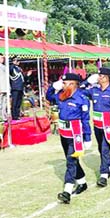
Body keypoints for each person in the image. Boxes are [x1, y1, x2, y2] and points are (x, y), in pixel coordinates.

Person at [46, 73, 92, 204]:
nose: (64, 85)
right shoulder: (61, 95)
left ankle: (67, 191)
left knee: (70, 162)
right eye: (63, 83)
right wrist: (52, 87)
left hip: (76, 134)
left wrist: (87, 137)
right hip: (64, 133)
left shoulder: (82, 98)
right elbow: (49, 97)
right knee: (71, 159)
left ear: (74, 84)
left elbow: (85, 119)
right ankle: (82, 182)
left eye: (66, 83)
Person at [83, 68, 110, 187]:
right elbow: (80, 90)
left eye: (100, 76)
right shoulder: (94, 90)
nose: (98, 78)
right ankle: (109, 165)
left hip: (108, 125)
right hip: (97, 125)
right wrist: (87, 82)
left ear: (106, 78)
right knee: (101, 149)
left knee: (105, 149)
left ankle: (103, 175)